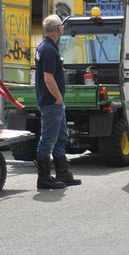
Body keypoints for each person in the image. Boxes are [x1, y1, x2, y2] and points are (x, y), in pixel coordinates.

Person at [35, 14, 81, 189]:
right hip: (52, 102)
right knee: (48, 139)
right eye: (61, 25)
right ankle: (44, 178)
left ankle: (63, 173)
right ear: (56, 29)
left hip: (53, 102)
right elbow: (48, 78)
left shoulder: (44, 47)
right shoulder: (49, 50)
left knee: (61, 137)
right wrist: (58, 98)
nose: (63, 27)